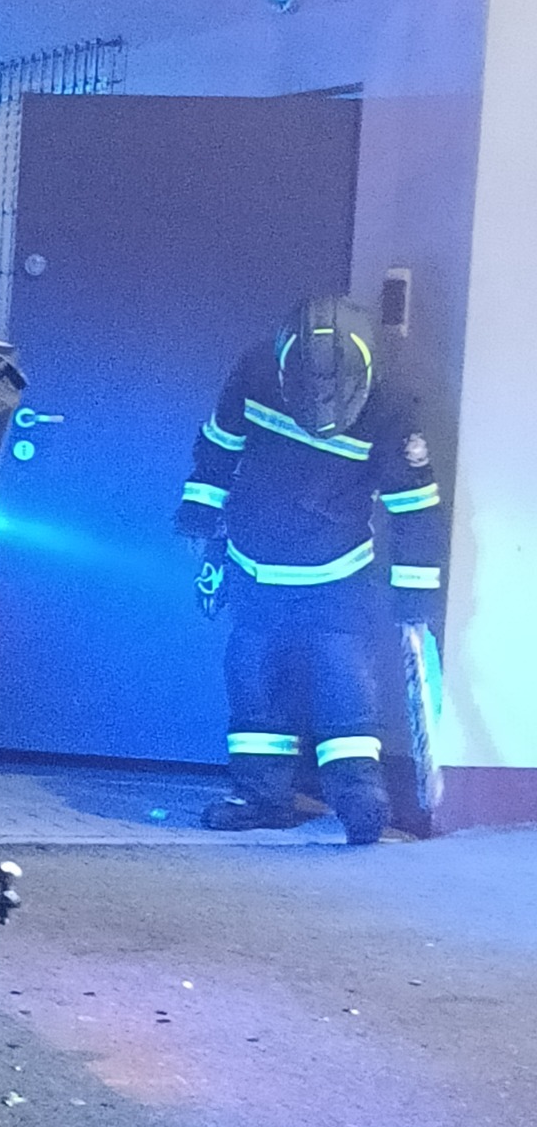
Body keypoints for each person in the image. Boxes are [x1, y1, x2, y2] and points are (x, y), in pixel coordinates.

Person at [175, 295, 446, 844]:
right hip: (254, 568)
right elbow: (218, 451)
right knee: (253, 683)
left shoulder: (393, 405)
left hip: (338, 577)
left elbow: (415, 510)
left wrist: (413, 599)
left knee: (344, 685)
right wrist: (201, 526)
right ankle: (261, 797)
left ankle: (361, 799)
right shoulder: (256, 372)